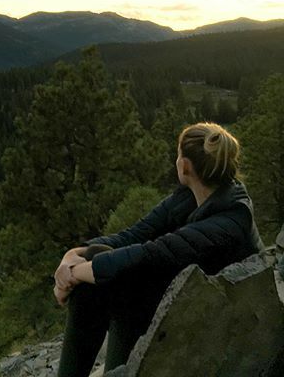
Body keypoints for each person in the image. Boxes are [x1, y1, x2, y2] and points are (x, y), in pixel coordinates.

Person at [53, 122, 265, 377]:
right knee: (99, 258)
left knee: (114, 276)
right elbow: (134, 235)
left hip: (219, 322)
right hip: (185, 300)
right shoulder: (190, 195)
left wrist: (74, 275)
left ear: (185, 166)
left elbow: (153, 252)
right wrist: (71, 258)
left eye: (177, 155)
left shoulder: (231, 220)